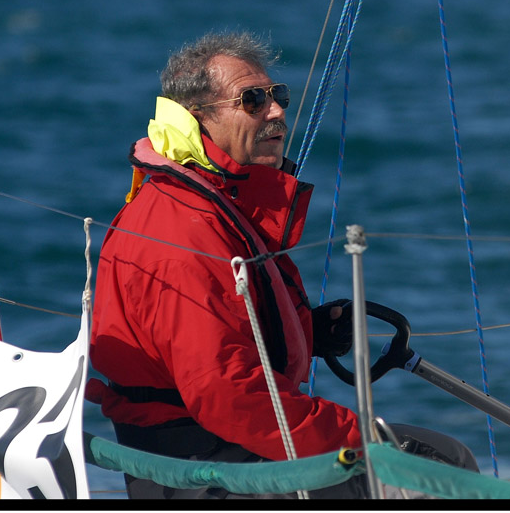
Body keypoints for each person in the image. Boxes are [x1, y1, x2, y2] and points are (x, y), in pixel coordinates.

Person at [87, 30, 477, 499]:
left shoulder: (210, 204)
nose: (276, 112)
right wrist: (364, 441)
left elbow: (221, 338)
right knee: (443, 475)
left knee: (446, 456)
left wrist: (308, 329)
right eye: (252, 101)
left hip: (224, 446)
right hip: (201, 471)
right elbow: (226, 395)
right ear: (200, 120)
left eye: (278, 96)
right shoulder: (184, 230)